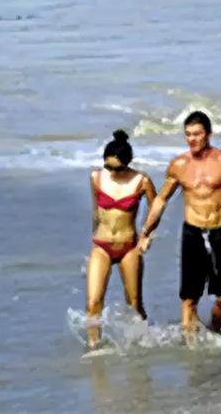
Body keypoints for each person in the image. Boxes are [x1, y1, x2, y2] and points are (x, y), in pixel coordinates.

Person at [138, 111, 221, 335]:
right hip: (192, 231)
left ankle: (213, 332)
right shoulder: (179, 165)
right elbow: (161, 200)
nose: (192, 139)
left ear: (208, 134)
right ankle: (190, 345)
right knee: (189, 297)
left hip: (220, 230)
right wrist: (146, 232)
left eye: (197, 134)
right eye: (188, 134)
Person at [86, 129, 156, 349]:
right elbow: (96, 211)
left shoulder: (142, 181)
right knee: (93, 302)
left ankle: (143, 345)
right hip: (101, 246)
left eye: (117, 168)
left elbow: (156, 208)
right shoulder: (96, 177)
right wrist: (93, 240)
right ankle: (94, 348)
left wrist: (147, 235)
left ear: (127, 164)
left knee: (134, 304)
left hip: (129, 247)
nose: (112, 172)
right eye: (108, 167)